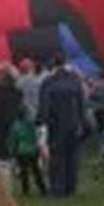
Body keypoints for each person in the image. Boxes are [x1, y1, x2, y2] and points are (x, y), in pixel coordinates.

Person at [39, 56, 92, 197]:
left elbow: (44, 105)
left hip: (55, 123)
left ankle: (57, 188)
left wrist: (42, 120)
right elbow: (82, 104)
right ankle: (71, 186)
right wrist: (83, 122)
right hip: (74, 123)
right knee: (72, 155)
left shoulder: (48, 82)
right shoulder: (76, 81)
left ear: (53, 65)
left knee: (57, 156)